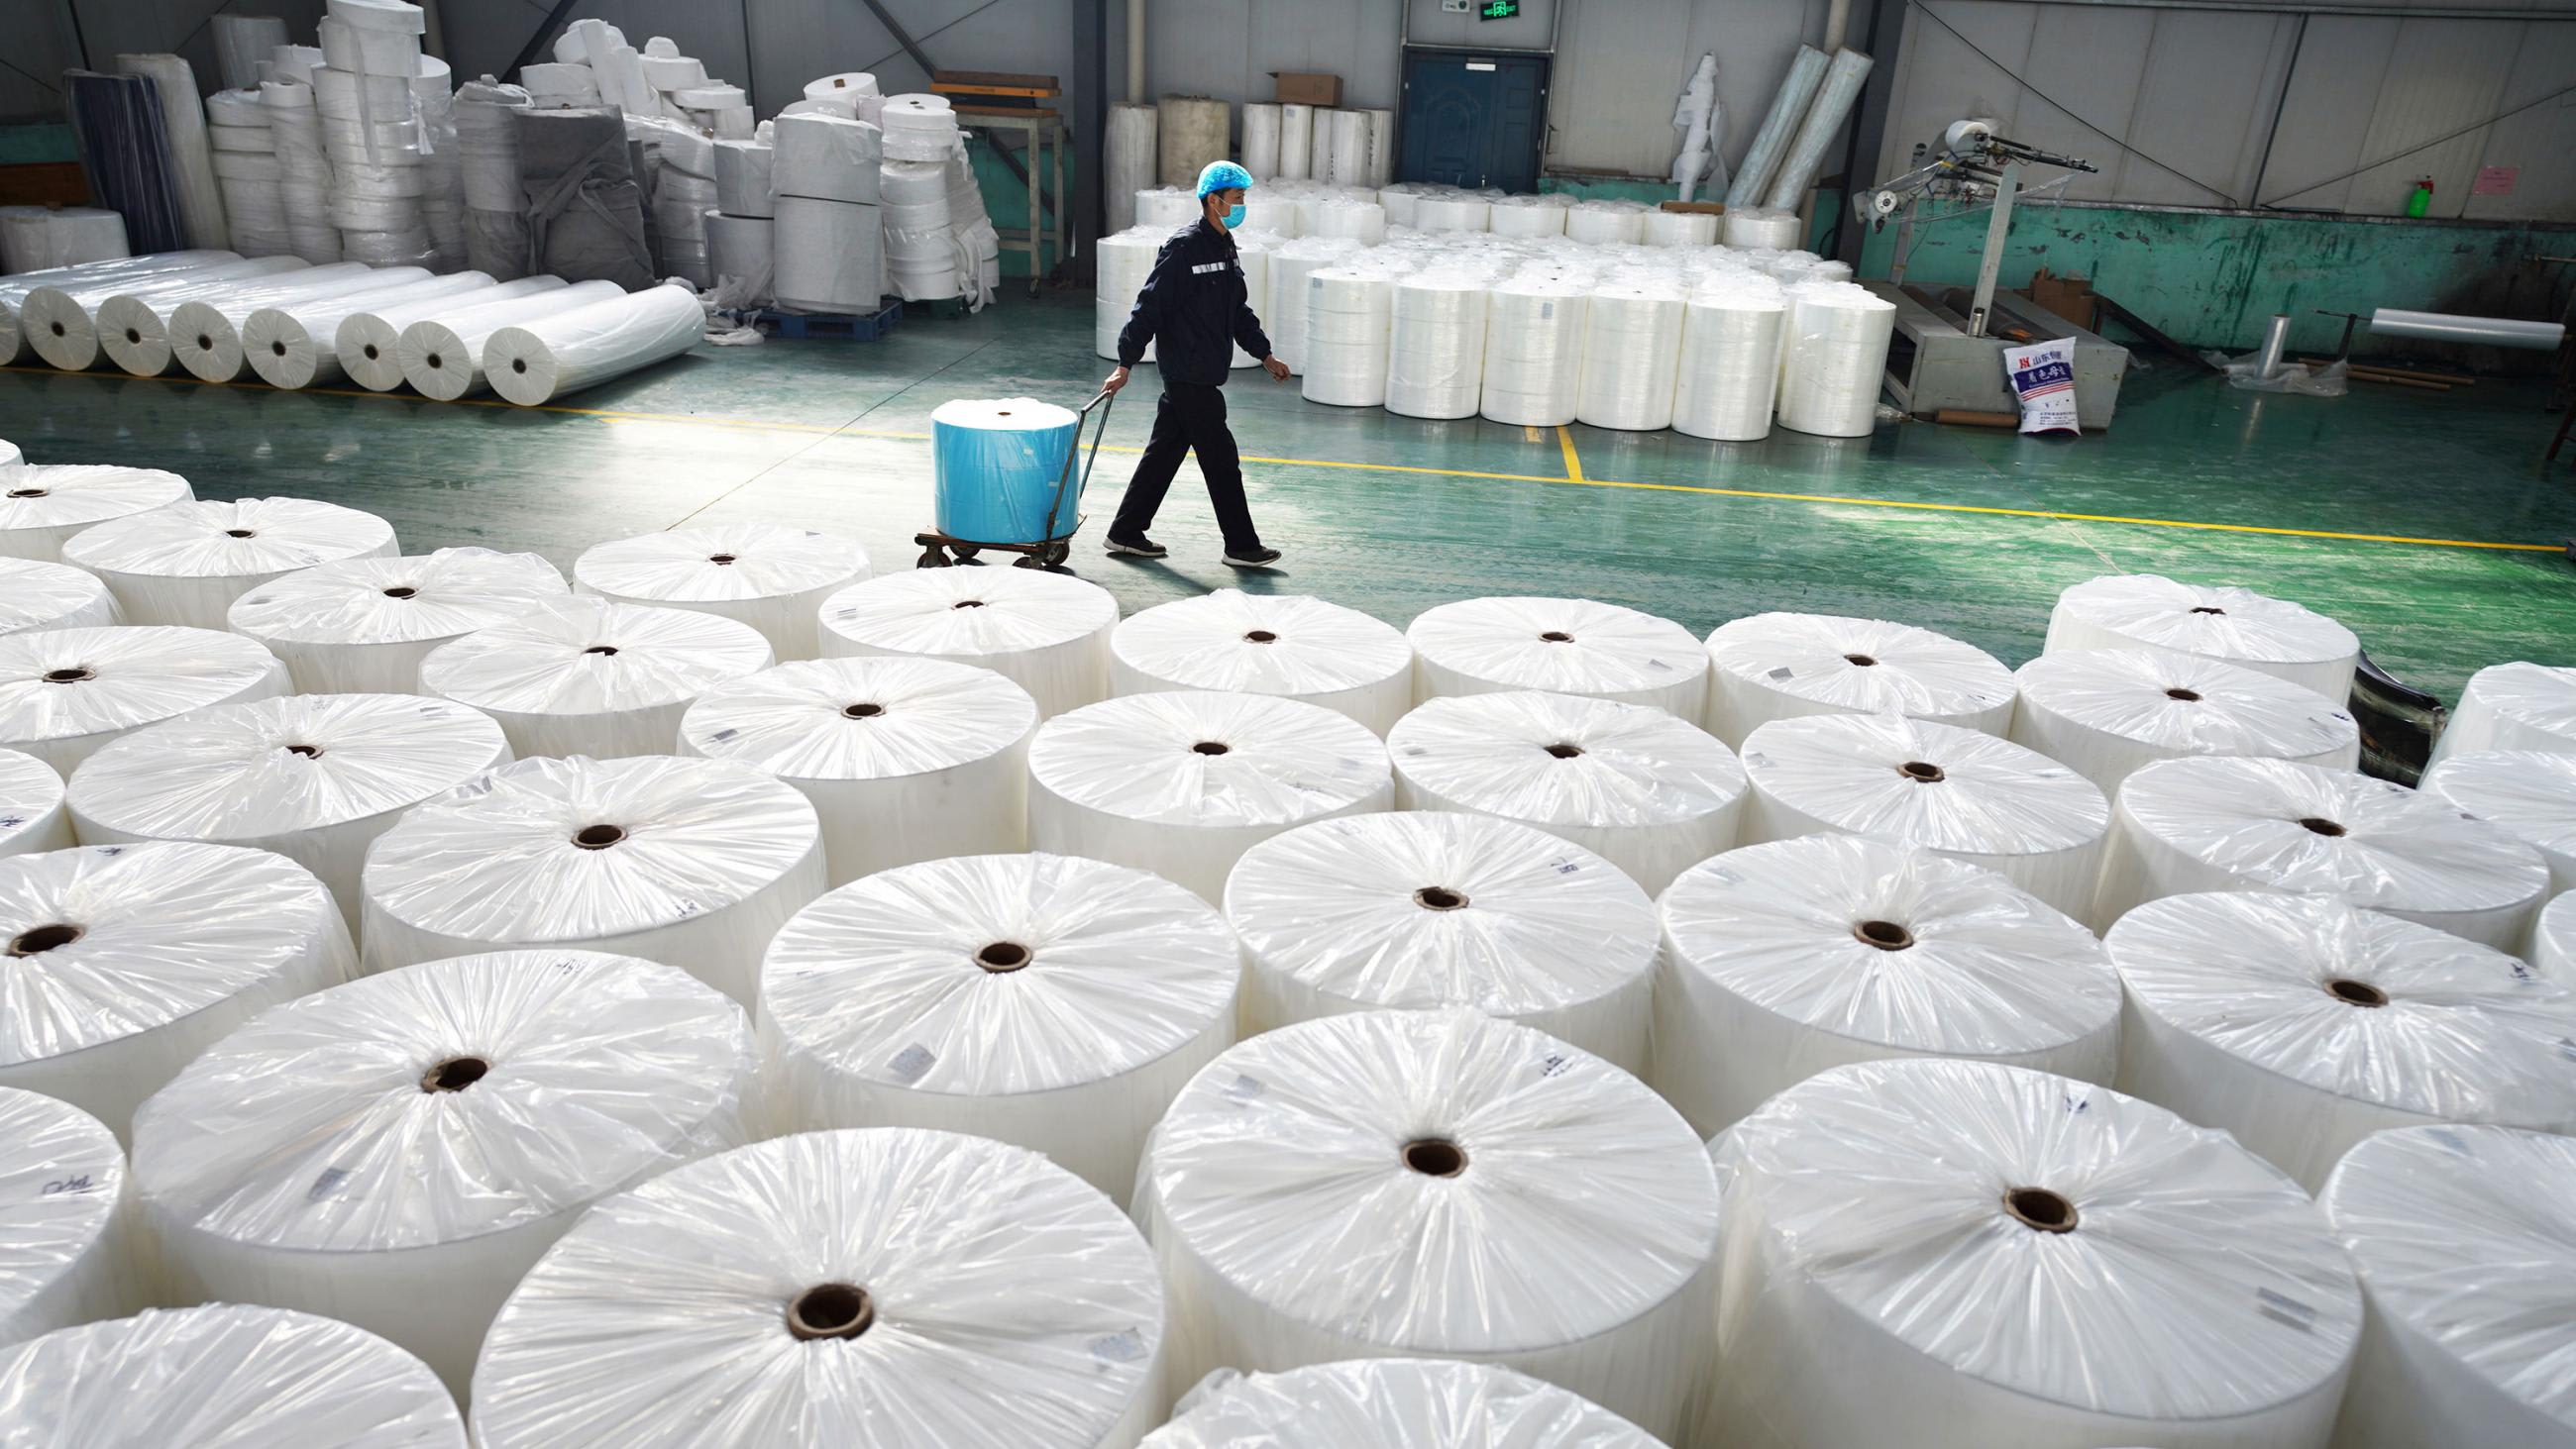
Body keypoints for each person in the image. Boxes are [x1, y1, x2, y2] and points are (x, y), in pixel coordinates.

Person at [1100, 159, 1287, 569]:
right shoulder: (1183, 248)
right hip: (1188, 374)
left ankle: (1126, 531)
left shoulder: (1225, 246)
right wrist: (1125, 362)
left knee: (1164, 454)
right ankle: (1240, 544)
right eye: (1237, 199)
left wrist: (1265, 354)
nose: (1242, 205)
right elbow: (1148, 307)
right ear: (1213, 201)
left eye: (1243, 199)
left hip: (1203, 372)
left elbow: (1237, 309)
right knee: (1222, 460)